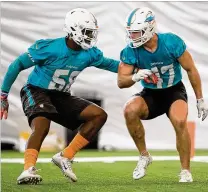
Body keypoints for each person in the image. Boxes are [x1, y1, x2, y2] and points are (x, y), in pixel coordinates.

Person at [0, 8, 119, 185]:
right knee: (42, 124)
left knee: (98, 115)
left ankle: (65, 156)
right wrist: (3, 95)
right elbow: (17, 65)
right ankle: (27, 169)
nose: (90, 37)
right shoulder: (50, 48)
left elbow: (112, 64)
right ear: (73, 30)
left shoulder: (89, 53)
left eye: (92, 33)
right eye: (87, 32)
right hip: (36, 90)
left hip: (61, 95)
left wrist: (138, 70)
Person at [117, 7, 208, 182]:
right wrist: (135, 76)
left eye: (137, 32)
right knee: (129, 110)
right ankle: (144, 156)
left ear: (150, 28)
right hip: (150, 93)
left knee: (180, 121)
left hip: (173, 91)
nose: (133, 37)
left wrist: (200, 98)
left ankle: (185, 171)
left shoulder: (171, 42)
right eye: (131, 33)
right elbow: (121, 81)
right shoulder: (131, 50)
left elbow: (191, 69)